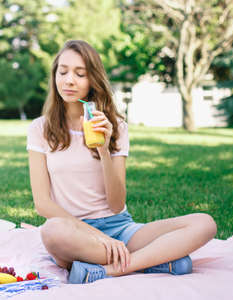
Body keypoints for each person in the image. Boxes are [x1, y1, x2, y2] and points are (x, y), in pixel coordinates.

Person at [27, 40, 217, 284]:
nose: (69, 80)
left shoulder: (116, 127)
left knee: (205, 223)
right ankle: (153, 260)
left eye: (80, 74)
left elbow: (116, 205)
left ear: (92, 80)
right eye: (62, 72)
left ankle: (113, 269)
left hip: (120, 228)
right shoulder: (40, 129)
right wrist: (97, 236)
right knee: (51, 231)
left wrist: (105, 151)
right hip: (73, 232)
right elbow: (42, 204)